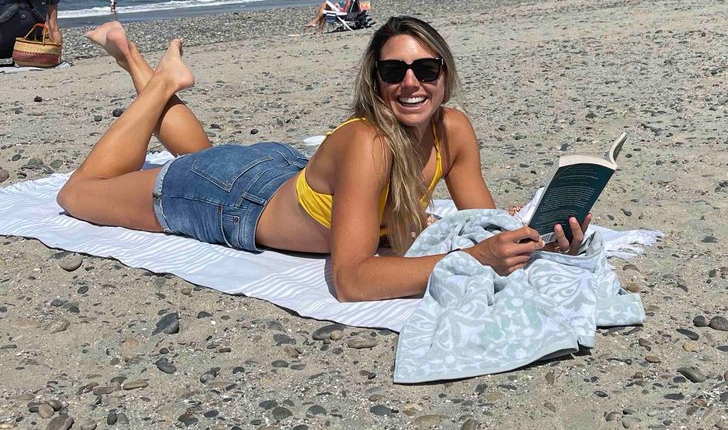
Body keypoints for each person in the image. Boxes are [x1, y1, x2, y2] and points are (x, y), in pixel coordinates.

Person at [56, 16, 589, 302]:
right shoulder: (368, 143)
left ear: (445, 76)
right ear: (374, 82)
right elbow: (352, 280)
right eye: (393, 72)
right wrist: (477, 261)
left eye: (426, 70)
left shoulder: (453, 129)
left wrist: (539, 239)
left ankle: (141, 62)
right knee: (80, 193)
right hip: (231, 200)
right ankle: (153, 75)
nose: (411, 83)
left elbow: (478, 226)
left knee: (208, 155)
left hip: (277, 171)